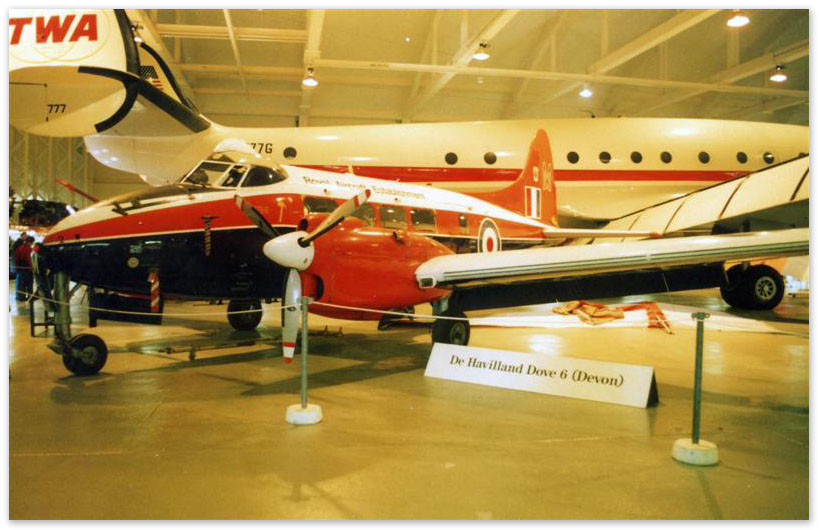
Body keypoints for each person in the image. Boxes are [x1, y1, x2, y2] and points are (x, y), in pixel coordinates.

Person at [13, 234, 33, 301]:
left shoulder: (19, 248)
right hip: (27, 269)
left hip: (20, 269)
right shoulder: (29, 249)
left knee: (20, 284)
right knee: (29, 284)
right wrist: (31, 267)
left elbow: (16, 259)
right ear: (29, 242)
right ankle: (30, 297)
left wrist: (17, 268)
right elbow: (29, 260)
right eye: (31, 242)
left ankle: (20, 297)